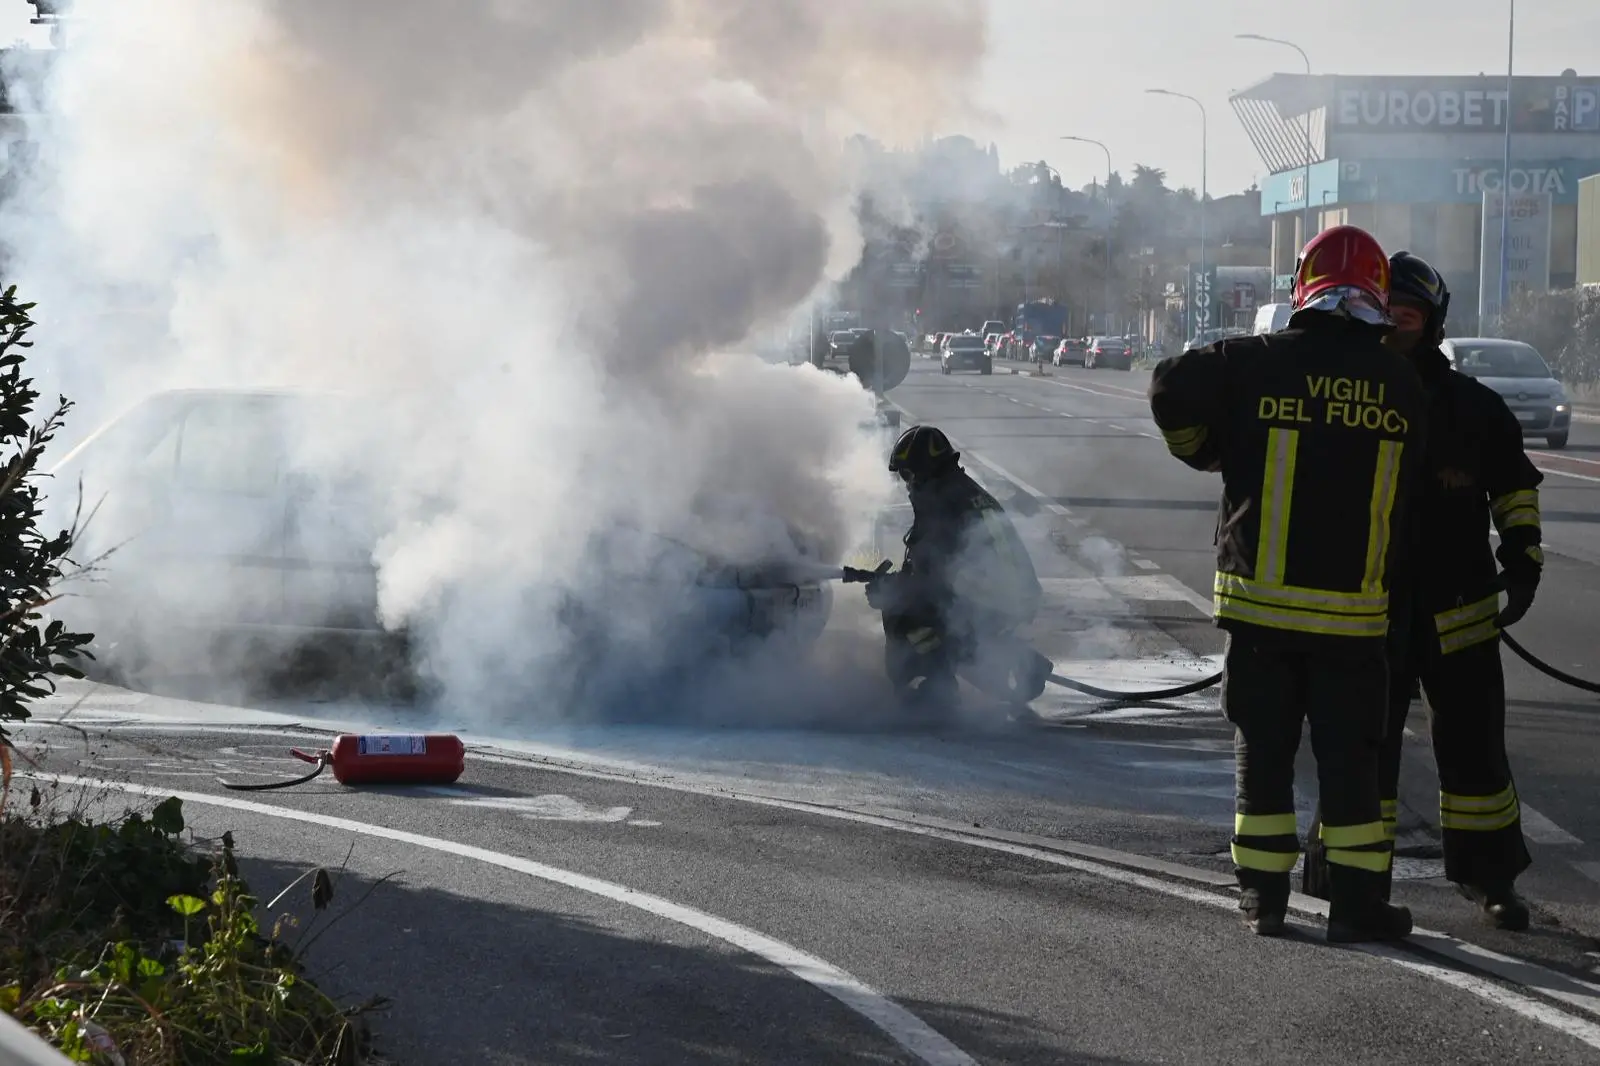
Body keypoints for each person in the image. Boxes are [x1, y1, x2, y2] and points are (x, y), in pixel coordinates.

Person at [1147, 225, 1428, 942]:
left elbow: (1169, 386)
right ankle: (1357, 907)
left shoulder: (1254, 362)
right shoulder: (1401, 383)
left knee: (1263, 756)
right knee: (1352, 766)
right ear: (1375, 294)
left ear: (1302, 287)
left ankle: (1264, 899)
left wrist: (1206, 451)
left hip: (1261, 614)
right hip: (1354, 621)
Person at [1303, 251, 1540, 929]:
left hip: (1456, 605)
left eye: (1409, 314)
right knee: (1361, 747)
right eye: (1386, 313)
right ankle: (1349, 876)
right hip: (1366, 607)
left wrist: (1523, 557)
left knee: (1475, 750)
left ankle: (1491, 878)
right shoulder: (1340, 397)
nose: (1396, 327)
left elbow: (1514, 485)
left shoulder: (1472, 406)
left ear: (1432, 322)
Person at [867, 424, 1046, 707]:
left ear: (925, 469)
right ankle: (1017, 659)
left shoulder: (944, 503)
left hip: (990, 600)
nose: (907, 483)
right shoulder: (962, 492)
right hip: (1008, 598)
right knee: (926, 611)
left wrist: (890, 589)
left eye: (908, 473)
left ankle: (934, 688)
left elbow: (933, 576)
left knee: (901, 612)